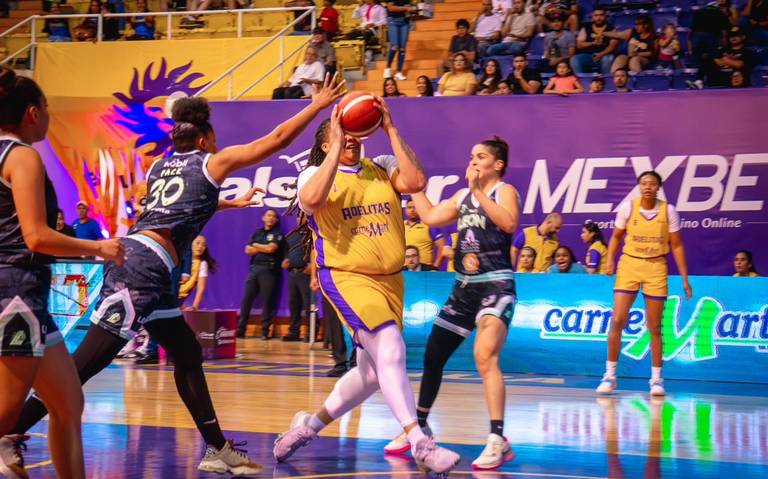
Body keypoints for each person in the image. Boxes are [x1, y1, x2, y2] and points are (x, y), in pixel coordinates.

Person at [2, 75, 345, 477]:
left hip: (152, 270)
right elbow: (275, 139)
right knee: (83, 366)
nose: (217, 145)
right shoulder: (211, 161)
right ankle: (10, 432)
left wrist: (231, 203)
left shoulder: (161, 166)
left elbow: (175, 212)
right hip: (141, 271)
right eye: (214, 139)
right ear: (204, 140)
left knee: (186, 353)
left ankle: (217, 449)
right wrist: (316, 105)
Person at [273, 99, 460, 474]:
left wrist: (390, 129)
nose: (352, 140)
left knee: (372, 375)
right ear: (327, 144)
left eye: (356, 135)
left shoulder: (382, 167)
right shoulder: (312, 175)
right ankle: (419, 440)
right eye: (343, 136)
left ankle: (306, 428)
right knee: (390, 346)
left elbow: (417, 182)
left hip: (391, 281)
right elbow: (310, 201)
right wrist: (336, 141)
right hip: (346, 276)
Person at [0, 67, 124, 479]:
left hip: (25, 295)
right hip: (17, 292)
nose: (49, 116)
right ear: (33, 113)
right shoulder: (22, 156)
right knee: (5, 416)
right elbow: (36, 237)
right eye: (48, 108)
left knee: (68, 402)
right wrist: (98, 248)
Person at [387, 137, 520, 470]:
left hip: (496, 285)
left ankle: (497, 439)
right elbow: (430, 216)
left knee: (484, 356)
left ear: (497, 164)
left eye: (481, 156)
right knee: (433, 356)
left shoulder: (503, 191)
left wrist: (476, 191)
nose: (473, 160)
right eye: (471, 155)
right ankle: (419, 426)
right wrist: (412, 179)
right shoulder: (461, 196)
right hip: (463, 288)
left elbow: (508, 223)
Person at [596, 170, 692, 397]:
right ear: (639, 186)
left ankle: (657, 379)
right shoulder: (628, 207)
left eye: (652, 183)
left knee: (655, 326)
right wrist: (610, 259)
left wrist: (685, 279)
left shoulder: (668, 211)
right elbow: (617, 237)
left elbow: (677, 245)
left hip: (656, 266)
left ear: (658, 187)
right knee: (618, 319)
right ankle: (609, 375)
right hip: (629, 264)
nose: (647, 186)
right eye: (644, 183)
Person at [237, 209, 284, 339]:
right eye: (268, 215)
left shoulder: (277, 233)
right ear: (263, 218)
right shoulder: (257, 232)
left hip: (268, 270)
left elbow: (271, 249)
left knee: (267, 301)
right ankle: (240, 330)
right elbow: (248, 250)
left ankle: (264, 331)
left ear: (276, 220)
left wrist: (256, 246)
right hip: (254, 269)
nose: (270, 218)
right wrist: (262, 247)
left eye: (273, 216)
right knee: (247, 299)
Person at [281, 229, 311, 341]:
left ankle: (311, 332)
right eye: (299, 216)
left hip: (305, 273)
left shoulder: (312, 233)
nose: (300, 218)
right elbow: (286, 250)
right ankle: (294, 332)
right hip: (292, 273)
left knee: (308, 304)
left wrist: (312, 264)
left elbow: (316, 250)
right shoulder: (292, 235)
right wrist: (285, 259)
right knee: (293, 304)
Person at [570, 7, 618, 75]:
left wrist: (600, 55)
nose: (598, 18)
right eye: (596, 15)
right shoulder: (586, 27)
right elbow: (579, 44)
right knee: (575, 59)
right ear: (592, 17)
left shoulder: (611, 29)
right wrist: (592, 43)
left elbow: (612, 46)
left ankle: (606, 81)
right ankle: (581, 81)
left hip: (604, 55)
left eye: (601, 15)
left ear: (605, 16)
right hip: (588, 56)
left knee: (609, 58)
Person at [178, 235, 216, 311]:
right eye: (197, 243)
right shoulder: (179, 259)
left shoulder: (202, 264)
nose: (200, 247)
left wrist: (194, 307)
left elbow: (201, 289)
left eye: (203, 245)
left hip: (179, 300)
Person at [404, 198, 444, 266]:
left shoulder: (429, 225)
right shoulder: (401, 225)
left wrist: (436, 267)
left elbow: (442, 246)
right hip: (404, 271)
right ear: (405, 210)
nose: (412, 210)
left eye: (415, 207)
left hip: (424, 271)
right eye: (409, 207)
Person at [384, 0, 414, 81]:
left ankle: (399, 72)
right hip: (393, 21)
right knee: (394, 46)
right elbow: (390, 8)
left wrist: (414, 9)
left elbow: (411, 6)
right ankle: (387, 68)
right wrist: (405, 8)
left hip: (405, 22)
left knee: (402, 48)